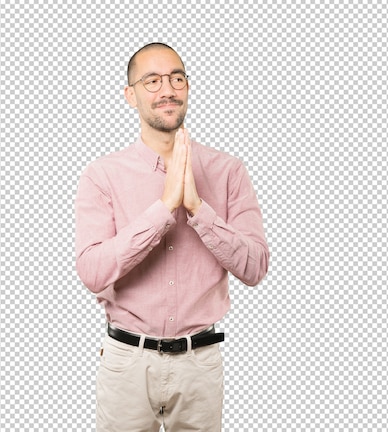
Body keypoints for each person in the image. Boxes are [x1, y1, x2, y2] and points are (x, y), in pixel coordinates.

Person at [75, 42, 270, 431]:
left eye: (176, 78)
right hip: (126, 364)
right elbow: (92, 272)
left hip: (199, 364)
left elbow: (255, 267)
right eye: (151, 80)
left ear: (187, 87)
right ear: (130, 95)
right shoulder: (102, 175)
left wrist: (198, 209)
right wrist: (164, 209)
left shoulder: (228, 170)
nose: (167, 89)